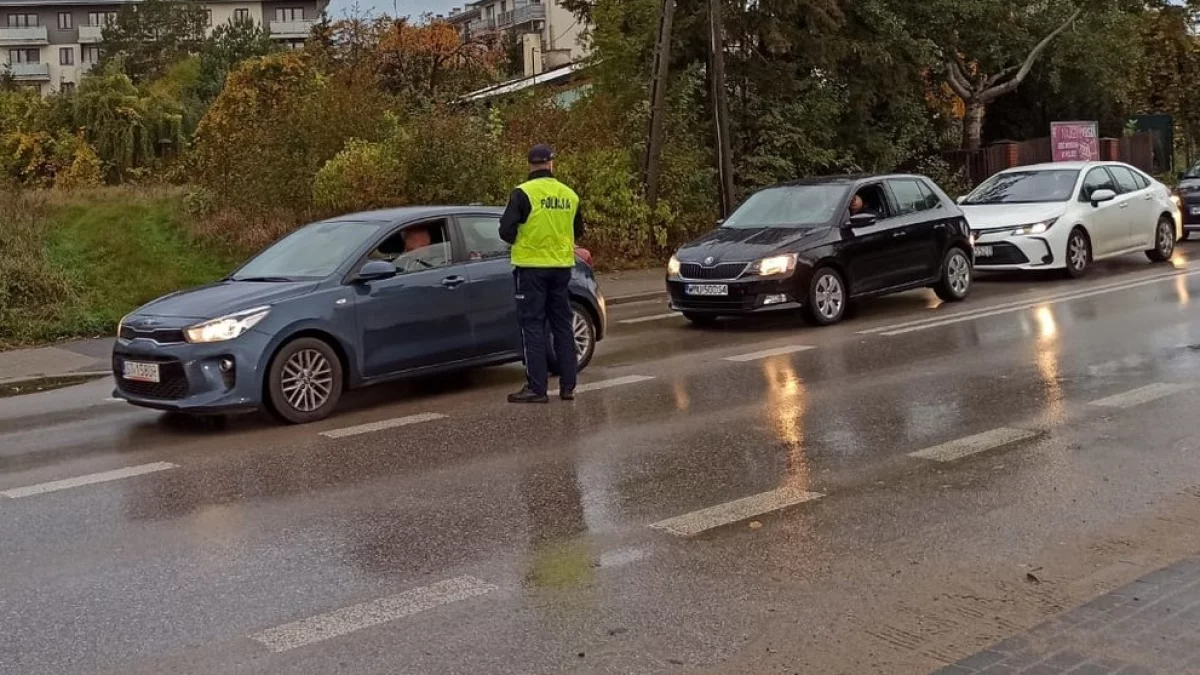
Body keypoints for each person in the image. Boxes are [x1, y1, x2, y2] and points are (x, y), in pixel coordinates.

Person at [499, 144, 585, 404]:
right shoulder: (569, 195)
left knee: (533, 326)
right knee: (562, 325)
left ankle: (537, 388)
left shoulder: (522, 193)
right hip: (561, 268)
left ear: (529, 165)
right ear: (551, 164)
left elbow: (506, 231)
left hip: (532, 269)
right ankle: (568, 386)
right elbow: (577, 231)